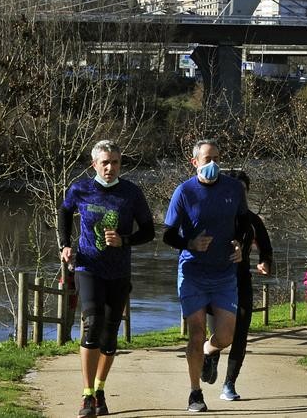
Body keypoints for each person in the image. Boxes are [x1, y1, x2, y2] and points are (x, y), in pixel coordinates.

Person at [59, 140, 155, 417]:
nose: (110, 167)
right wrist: (65, 244)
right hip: (88, 267)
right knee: (92, 323)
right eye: (105, 162)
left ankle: (100, 390)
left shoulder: (131, 193)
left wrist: (124, 240)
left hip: (119, 272)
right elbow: (65, 211)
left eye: (115, 162)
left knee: (110, 334)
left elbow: (148, 231)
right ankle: (87, 395)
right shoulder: (80, 189)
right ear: (94, 165)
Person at [162, 139, 250, 413]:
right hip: (193, 272)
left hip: (224, 273)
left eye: (217, 158)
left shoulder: (234, 188)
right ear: (194, 162)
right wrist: (189, 243)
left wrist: (240, 244)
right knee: (196, 333)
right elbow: (167, 235)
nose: (213, 164)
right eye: (207, 158)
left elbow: (244, 223)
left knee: (226, 336)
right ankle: (195, 394)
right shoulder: (184, 192)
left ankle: (211, 353)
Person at [210, 169, 273, 401]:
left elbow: (266, 248)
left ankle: (229, 384)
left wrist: (265, 263)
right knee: (218, 331)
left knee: (241, 332)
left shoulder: (253, 221)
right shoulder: (212, 215)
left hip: (241, 280)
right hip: (214, 280)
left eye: (243, 191)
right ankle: (211, 355)